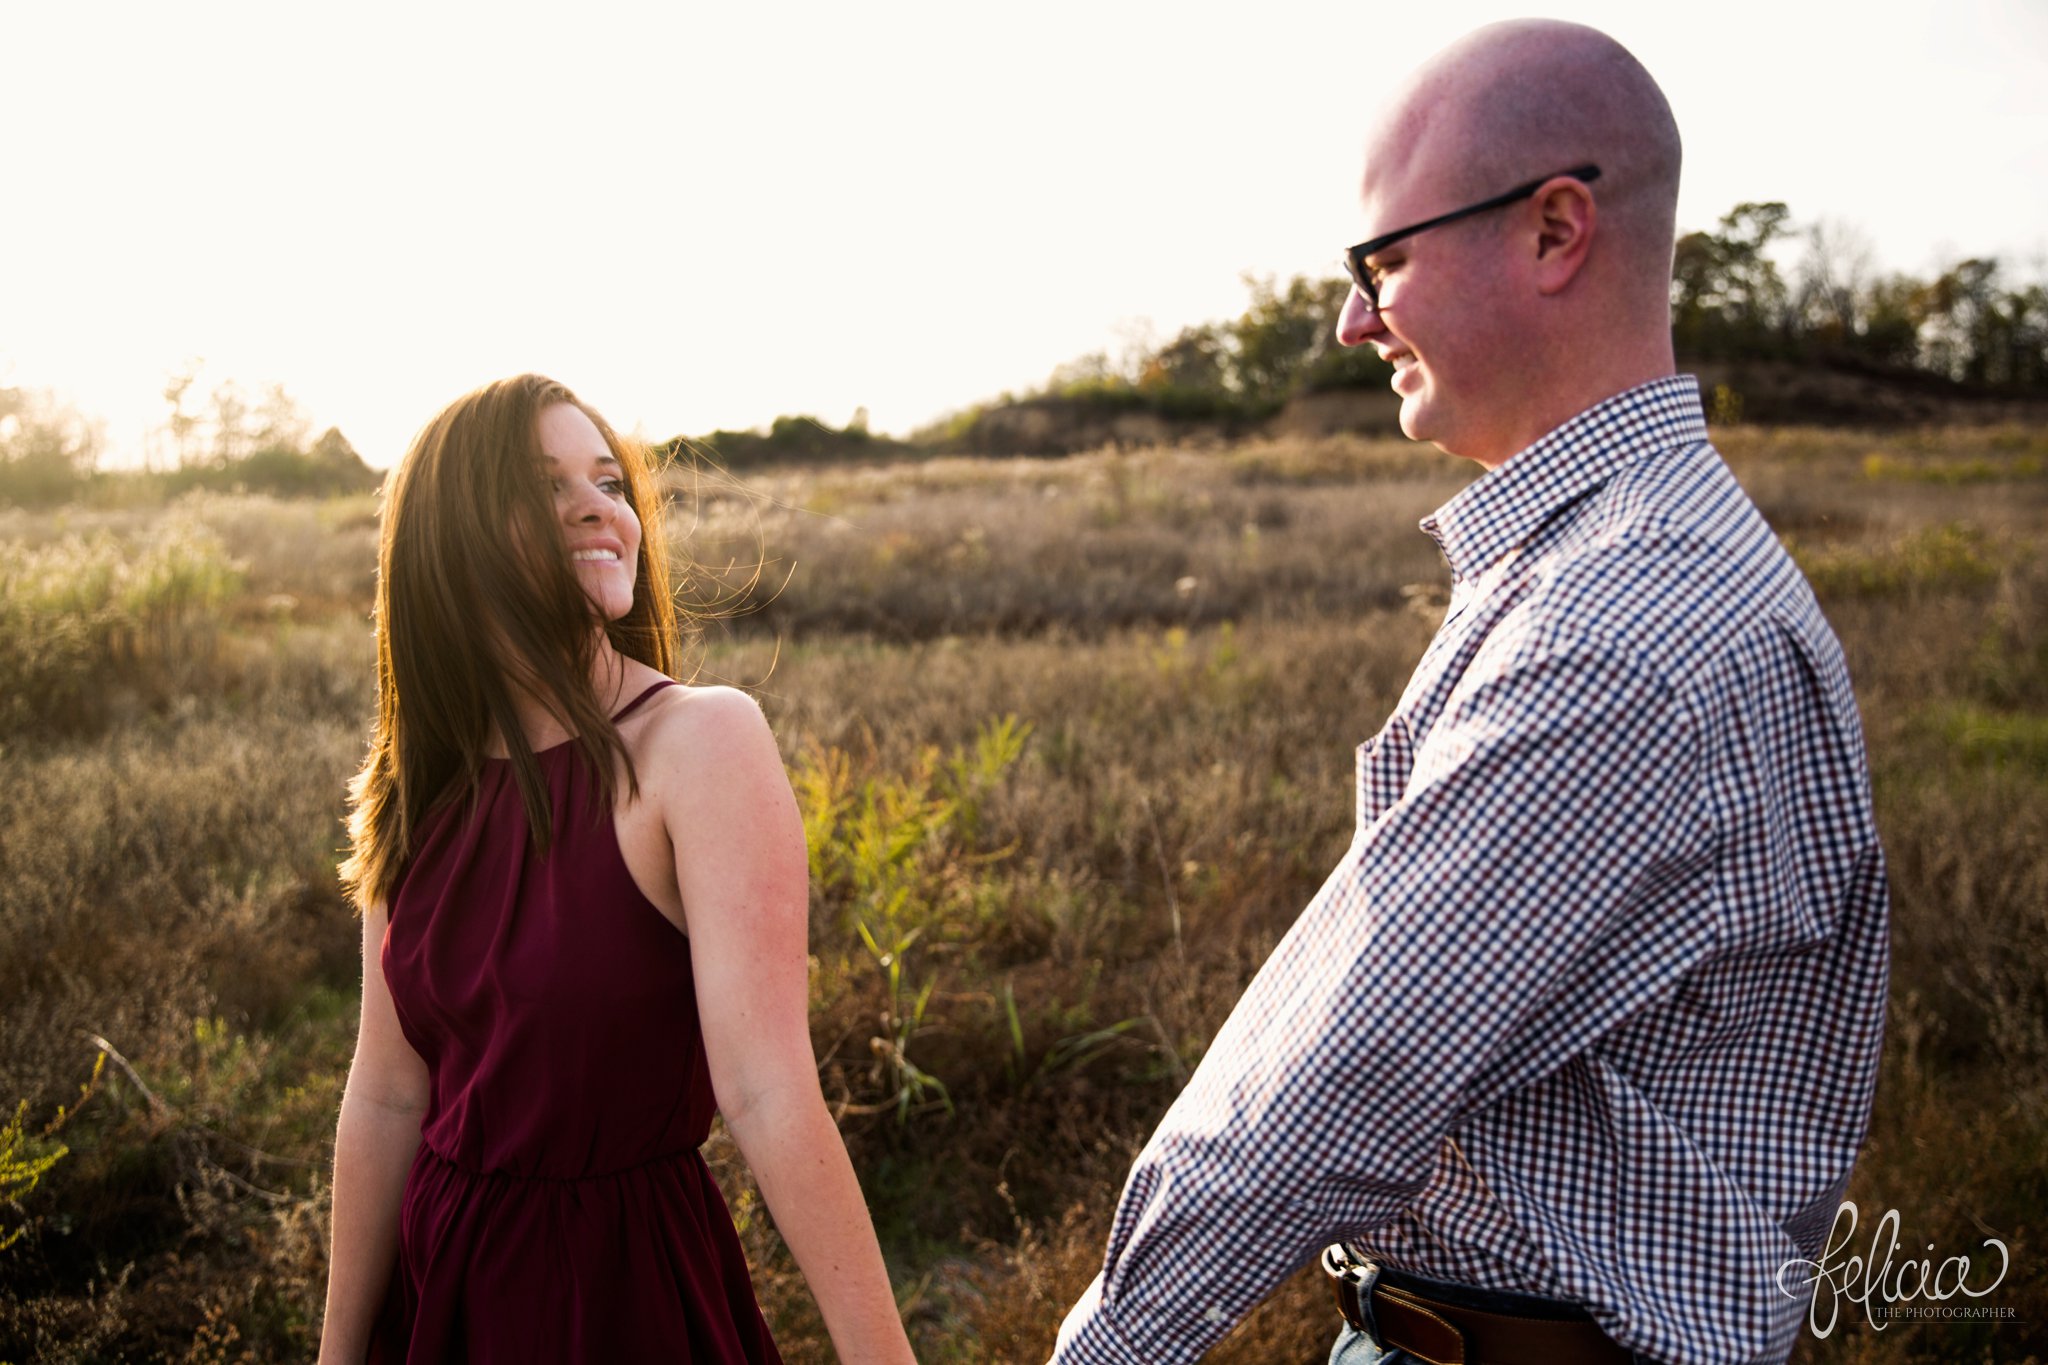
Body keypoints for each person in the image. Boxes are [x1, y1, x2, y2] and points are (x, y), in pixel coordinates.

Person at [1052, 20, 1888, 1365]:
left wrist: (1110, 1345)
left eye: (1383, 260)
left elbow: (1338, 1076)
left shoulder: (1625, 623)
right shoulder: (1611, 562)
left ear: (1555, 231)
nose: (1351, 317)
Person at [317, 375, 917, 1364]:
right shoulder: (418, 779)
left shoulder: (697, 743)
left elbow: (768, 1091)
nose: (601, 507)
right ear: (452, 532)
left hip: (617, 1294)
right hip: (442, 1297)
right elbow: (385, 1092)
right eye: (546, 485)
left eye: (606, 481)